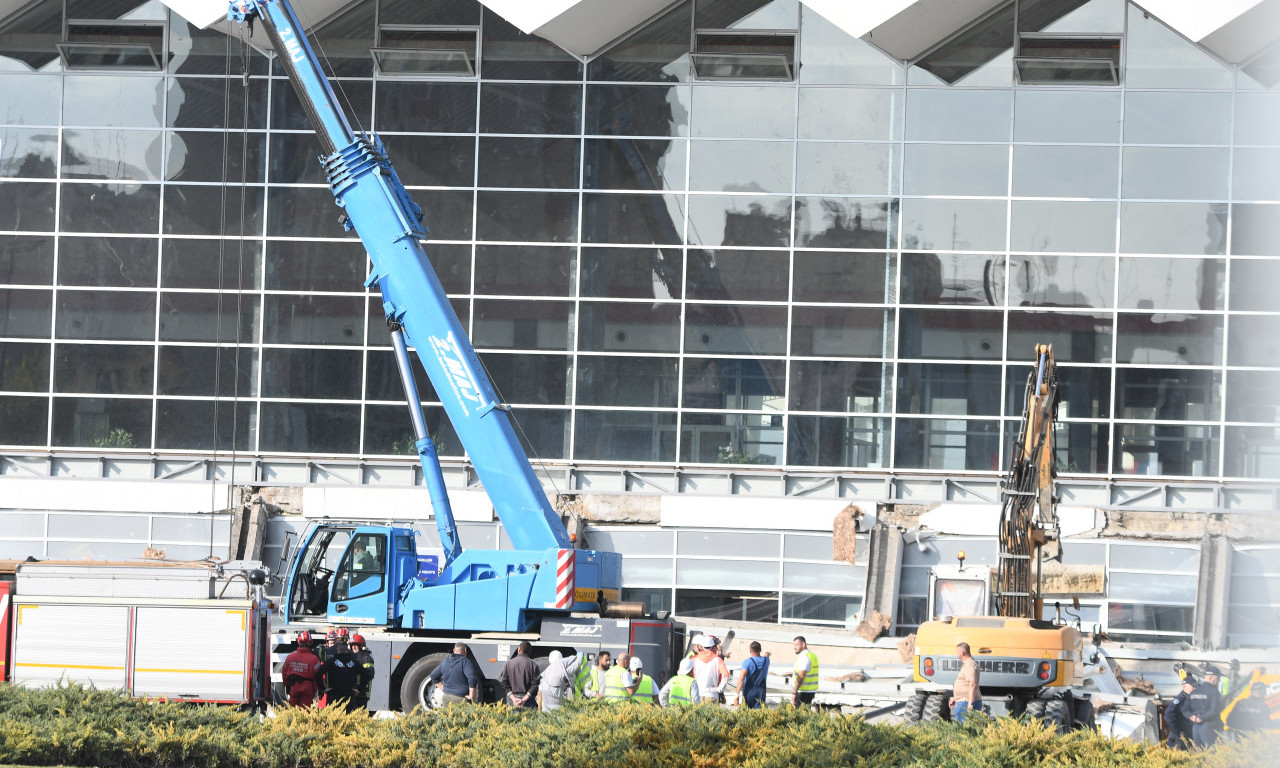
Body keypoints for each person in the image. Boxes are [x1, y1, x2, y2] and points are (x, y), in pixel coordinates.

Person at [319, 635, 362, 712]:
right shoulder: (353, 660)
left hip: (332, 694)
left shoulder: (330, 661)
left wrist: (323, 689)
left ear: (337, 650)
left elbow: (318, 674)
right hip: (349, 695)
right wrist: (357, 688)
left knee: (332, 716)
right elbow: (365, 674)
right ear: (347, 650)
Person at [281, 630, 323, 707]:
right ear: (310, 643)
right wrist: (319, 689)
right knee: (305, 710)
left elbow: (284, 673)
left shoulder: (290, 657)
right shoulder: (315, 659)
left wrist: (286, 685)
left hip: (294, 686)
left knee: (292, 709)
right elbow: (318, 676)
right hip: (308, 687)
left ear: (299, 642)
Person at [1187, 665, 1224, 747]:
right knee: (1211, 751)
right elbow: (1215, 710)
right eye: (1218, 678)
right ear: (1211, 677)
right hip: (1209, 727)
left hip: (1196, 728)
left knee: (1199, 752)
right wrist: (1201, 718)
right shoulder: (1214, 691)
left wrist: (1194, 717)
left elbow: (1185, 709)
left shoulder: (1195, 692)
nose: (1219, 681)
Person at [499, 640, 539, 708]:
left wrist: (514, 698)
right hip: (528, 700)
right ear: (530, 651)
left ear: (519, 649)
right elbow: (535, 685)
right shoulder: (534, 665)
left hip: (513, 700)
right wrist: (524, 699)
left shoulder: (509, 664)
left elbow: (504, 683)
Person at [948, 642, 982, 723]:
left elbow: (972, 684)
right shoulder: (967, 663)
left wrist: (970, 704)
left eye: (957, 651)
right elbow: (965, 683)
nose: (956, 653)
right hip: (963, 701)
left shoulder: (969, 664)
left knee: (963, 728)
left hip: (966, 703)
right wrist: (956, 698)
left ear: (962, 652)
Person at [692, 635, 729, 704]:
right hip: (712, 694)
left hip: (697, 694)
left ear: (702, 646)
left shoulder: (694, 659)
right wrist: (720, 689)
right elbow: (726, 675)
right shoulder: (718, 660)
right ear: (713, 647)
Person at [1164, 676, 1197, 749]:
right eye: (1193, 686)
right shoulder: (1180, 699)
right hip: (1178, 740)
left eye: (1196, 686)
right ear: (1184, 686)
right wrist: (1178, 732)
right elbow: (1168, 715)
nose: (1195, 688)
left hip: (1188, 738)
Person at [735, 641, 770, 709]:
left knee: (747, 712)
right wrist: (767, 653)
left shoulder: (747, 662)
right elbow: (767, 655)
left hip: (749, 692)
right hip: (761, 692)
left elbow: (741, 678)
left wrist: (737, 694)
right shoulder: (766, 661)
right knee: (760, 712)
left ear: (750, 650)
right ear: (760, 650)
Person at [348, 633, 375, 713]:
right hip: (353, 691)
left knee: (359, 715)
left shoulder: (366, 657)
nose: (353, 647)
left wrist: (359, 689)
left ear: (361, 645)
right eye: (352, 645)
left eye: (356, 645)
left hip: (361, 692)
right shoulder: (351, 656)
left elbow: (369, 675)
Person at [791, 636, 820, 707]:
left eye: (796, 645)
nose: (794, 647)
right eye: (794, 645)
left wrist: (794, 692)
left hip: (802, 692)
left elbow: (801, 675)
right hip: (810, 691)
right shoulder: (812, 655)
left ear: (803, 644)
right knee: (806, 711)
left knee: (801, 713)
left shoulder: (804, 656)